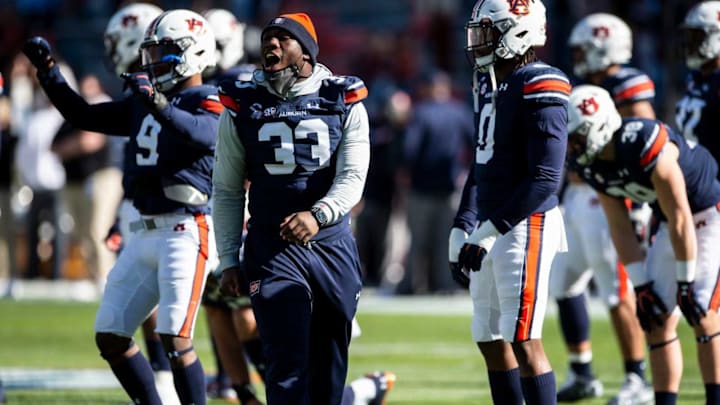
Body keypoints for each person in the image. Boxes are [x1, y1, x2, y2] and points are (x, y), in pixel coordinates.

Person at [23, 8, 220, 405]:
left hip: (186, 229)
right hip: (142, 230)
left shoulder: (208, 98)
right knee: (111, 334)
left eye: (162, 51)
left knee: (176, 339)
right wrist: (49, 73)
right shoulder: (145, 101)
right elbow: (83, 114)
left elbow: (202, 134)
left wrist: (158, 101)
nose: (151, 61)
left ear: (191, 52)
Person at [213, 11, 373, 404]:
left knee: (329, 367)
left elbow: (353, 177)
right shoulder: (243, 103)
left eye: (283, 38)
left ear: (306, 52)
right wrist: (229, 257)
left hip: (331, 244)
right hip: (273, 246)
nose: (272, 44)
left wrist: (318, 215)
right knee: (286, 363)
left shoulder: (342, 97)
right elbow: (228, 189)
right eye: (268, 38)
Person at [567, 84, 720, 405]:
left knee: (701, 310)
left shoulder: (641, 140)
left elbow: (681, 213)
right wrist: (641, 286)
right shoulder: (590, 163)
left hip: (708, 213)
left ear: (600, 126)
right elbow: (619, 226)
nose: (571, 147)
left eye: (577, 137)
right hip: (668, 220)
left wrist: (685, 279)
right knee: (655, 317)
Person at [448, 0, 569, 403]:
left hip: (526, 222)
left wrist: (488, 229)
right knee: (487, 335)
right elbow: (483, 161)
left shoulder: (540, 82)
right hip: (489, 221)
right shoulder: (488, 81)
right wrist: (463, 222)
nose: (478, 42)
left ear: (517, 32)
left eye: (487, 31)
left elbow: (546, 179)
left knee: (523, 338)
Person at [551, 12, 654, 404]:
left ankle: (637, 378)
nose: (578, 56)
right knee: (564, 283)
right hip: (577, 196)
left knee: (616, 291)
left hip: (608, 197)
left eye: (583, 49)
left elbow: (642, 141)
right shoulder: (587, 85)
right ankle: (582, 372)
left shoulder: (626, 84)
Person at [100, 3, 180, 405]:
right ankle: (164, 379)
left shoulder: (170, 88)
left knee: (236, 313)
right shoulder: (140, 89)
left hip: (189, 212)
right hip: (150, 206)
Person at [396, 70, 474, 295]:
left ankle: (412, 284)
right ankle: (445, 285)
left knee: (417, 241)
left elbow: (409, 149)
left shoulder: (420, 113)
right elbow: (475, 143)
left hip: (421, 187)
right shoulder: (459, 112)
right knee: (445, 241)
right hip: (449, 186)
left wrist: (404, 173)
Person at [677, 1, 720, 168]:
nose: (689, 44)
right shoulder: (696, 77)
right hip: (698, 182)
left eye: (697, 37)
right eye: (688, 36)